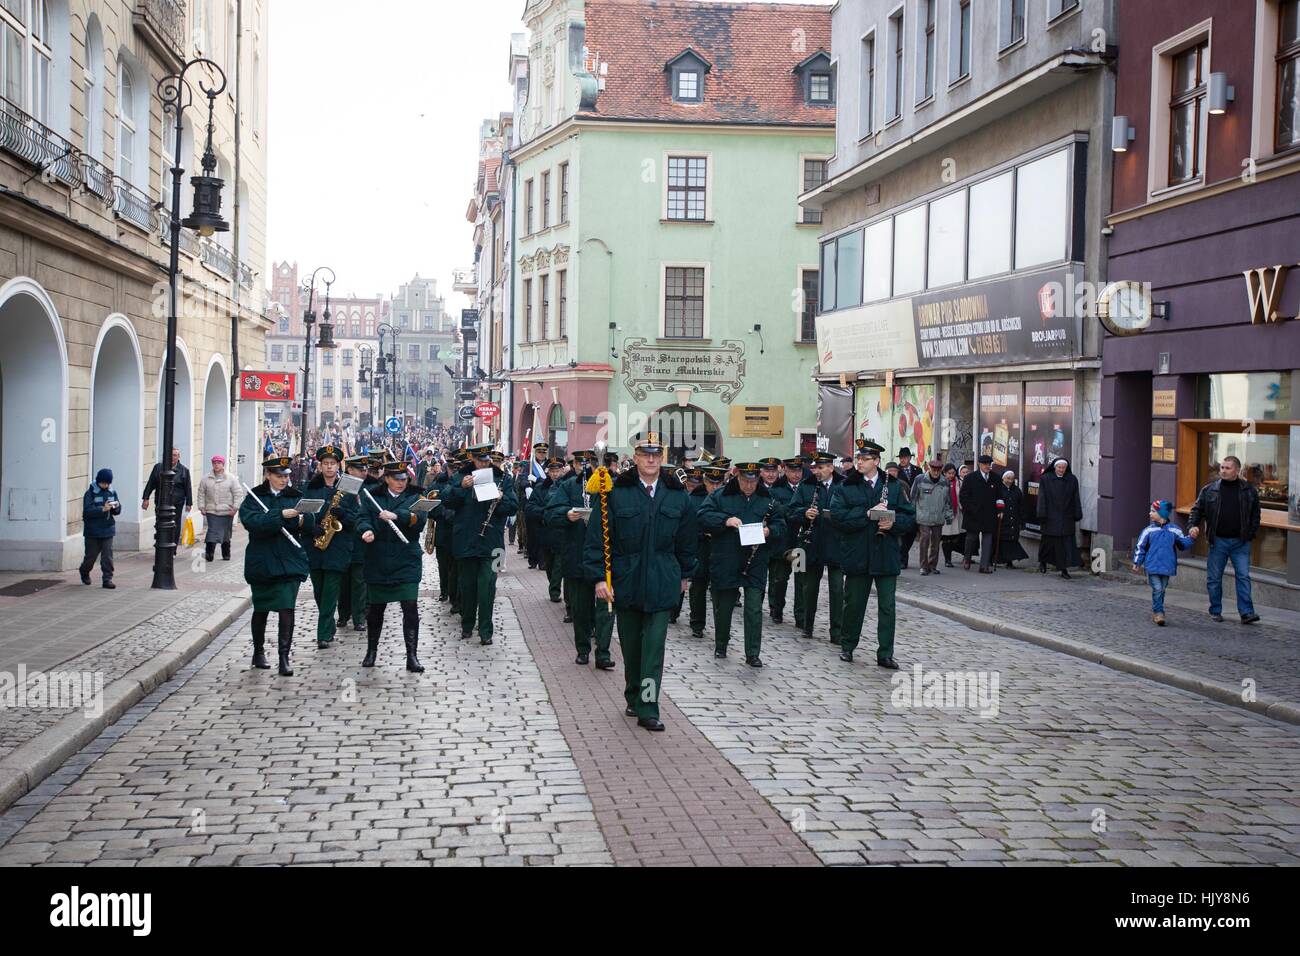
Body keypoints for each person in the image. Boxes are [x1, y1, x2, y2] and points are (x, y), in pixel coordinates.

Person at [582, 433, 696, 732]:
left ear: (662, 458)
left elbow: (687, 540)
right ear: (635, 456)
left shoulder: (676, 495)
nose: (650, 460)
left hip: (663, 581)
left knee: (654, 648)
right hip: (626, 580)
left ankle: (648, 706)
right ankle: (633, 694)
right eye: (645, 454)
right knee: (632, 648)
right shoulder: (616, 492)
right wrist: (598, 579)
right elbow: (597, 539)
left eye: (656, 455)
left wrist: (685, 574)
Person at [831, 439, 915, 667]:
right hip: (857, 554)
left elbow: (909, 518)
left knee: (887, 607)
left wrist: (893, 524)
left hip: (886, 554)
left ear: (876, 461)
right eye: (858, 458)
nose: (859, 462)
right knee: (854, 604)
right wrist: (867, 514)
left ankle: (885, 653)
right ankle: (848, 646)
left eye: (865, 459)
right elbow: (838, 518)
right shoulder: (846, 486)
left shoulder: (894, 486)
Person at [697, 463, 786, 667]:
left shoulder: (768, 500)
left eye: (753, 481)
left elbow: (781, 524)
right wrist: (725, 520)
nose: (748, 485)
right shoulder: (720, 495)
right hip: (726, 557)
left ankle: (752, 653)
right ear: (737, 478)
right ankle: (721, 645)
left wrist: (769, 531)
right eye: (745, 480)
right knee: (724, 606)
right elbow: (702, 516)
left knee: (754, 608)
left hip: (756, 560)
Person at [239, 455, 315, 676]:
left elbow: (310, 522)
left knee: (286, 608)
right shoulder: (255, 497)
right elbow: (252, 523)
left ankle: (284, 657)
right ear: (268, 476)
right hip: (262, 562)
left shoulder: (295, 496)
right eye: (279, 476)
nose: (283, 480)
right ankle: (259, 651)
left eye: (286, 476)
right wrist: (280, 515)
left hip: (289, 561)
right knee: (261, 609)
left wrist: (299, 520)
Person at [441, 445, 519, 645]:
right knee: (467, 586)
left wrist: (500, 500)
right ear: (472, 460)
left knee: (488, 586)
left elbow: (513, 507)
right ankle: (467, 625)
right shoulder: (460, 477)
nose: (485, 463)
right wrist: (462, 488)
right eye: (480, 460)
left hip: (493, 544)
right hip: (465, 541)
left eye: (487, 460)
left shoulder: (503, 478)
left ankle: (486, 631)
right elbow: (446, 500)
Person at [545, 450, 616, 669]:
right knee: (581, 608)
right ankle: (583, 649)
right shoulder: (568, 486)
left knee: (606, 608)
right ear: (574, 464)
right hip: (577, 554)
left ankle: (603, 652)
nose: (586, 466)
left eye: (592, 462)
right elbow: (550, 513)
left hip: (605, 555)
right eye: (580, 462)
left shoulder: (611, 486)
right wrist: (567, 514)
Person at [357, 460, 429, 671]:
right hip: (378, 557)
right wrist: (366, 530)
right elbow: (362, 518)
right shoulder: (373, 496)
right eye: (396, 479)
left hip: (406, 558)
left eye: (403, 479)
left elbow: (420, 518)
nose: (400, 483)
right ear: (386, 478)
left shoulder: (416, 495)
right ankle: (371, 651)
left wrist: (398, 515)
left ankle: (412, 656)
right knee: (376, 609)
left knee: (410, 607)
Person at [1187, 455, 1261, 624]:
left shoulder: (1249, 491)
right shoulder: (1209, 490)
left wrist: (1250, 534)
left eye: (1227, 468)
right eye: (1222, 467)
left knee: (1243, 576)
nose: (1223, 471)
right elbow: (1197, 510)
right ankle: (1215, 610)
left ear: (1237, 470)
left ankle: (1247, 613)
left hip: (1240, 542)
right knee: (1214, 578)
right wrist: (1192, 525)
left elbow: (1255, 515)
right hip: (1218, 541)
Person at [304, 445, 358, 650]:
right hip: (315, 545)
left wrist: (344, 514)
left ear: (338, 466)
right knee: (319, 591)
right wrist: (312, 526)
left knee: (330, 591)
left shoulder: (349, 488)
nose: (329, 467)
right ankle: (328, 624)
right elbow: (304, 513)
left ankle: (323, 634)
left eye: (332, 464)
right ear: (319, 466)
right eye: (325, 464)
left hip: (338, 546)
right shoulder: (310, 487)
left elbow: (356, 518)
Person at [793, 452, 845, 643]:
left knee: (838, 589)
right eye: (816, 467)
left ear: (831, 468)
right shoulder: (806, 486)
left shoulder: (843, 484)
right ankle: (807, 625)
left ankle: (837, 631)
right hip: (812, 542)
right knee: (809, 587)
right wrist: (805, 513)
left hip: (836, 542)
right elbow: (791, 510)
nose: (817, 471)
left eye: (822, 467)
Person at [1133, 500, 1194, 626]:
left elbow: (1183, 544)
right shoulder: (1148, 530)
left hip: (1167, 566)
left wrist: (1192, 537)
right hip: (1152, 565)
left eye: (1153, 511)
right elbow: (1141, 547)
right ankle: (1158, 612)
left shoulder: (1174, 530)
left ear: (1162, 513)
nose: (1150, 513)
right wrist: (1137, 562)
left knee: (1162, 589)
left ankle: (1158, 610)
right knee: (1158, 588)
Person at [686, 464, 726, 639]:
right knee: (698, 586)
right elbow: (688, 526)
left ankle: (722, 627)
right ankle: (697, 623)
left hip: (721, 547)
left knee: (720, 588)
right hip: (701, 547)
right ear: (705, 482)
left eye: (718, 483)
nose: (715, 487)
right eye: (711, 483)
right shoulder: (694, 498)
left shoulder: (728, 498)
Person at [767, 456, 808, 625]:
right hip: (782, 542)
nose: (796, 474)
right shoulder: (776, 490)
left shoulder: (807, 488)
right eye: (792, 471)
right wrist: (796, 512)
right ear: (785, 471)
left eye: (798, 470)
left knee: (800, 580)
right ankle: (776, 609)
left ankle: (800, 616)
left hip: (799, 543)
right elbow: (777, 511)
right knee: (780, 579)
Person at [337, 455, 371, 632]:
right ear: (350, 470)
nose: (364, 472)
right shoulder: (343, 488)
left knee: (359, 582)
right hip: (343, 540)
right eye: (360, 470)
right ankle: (343, 615)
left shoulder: (366, 488)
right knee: (343, 582)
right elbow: (340, 512)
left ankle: (359, 618)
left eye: (365, 469)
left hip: (360, 543)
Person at [527, 457, 567, 605]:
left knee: (559, 563)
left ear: (563, 471)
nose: (555, 474)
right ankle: (553, 585)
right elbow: (530, 508)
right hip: (545, 532)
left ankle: (555, 591)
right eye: (552, 471)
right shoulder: (540, 488)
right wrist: (545, 512)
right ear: (548, 472)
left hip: (562, 532)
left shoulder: (567, 486)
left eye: (558, 470)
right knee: (549, 564)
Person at [1037, 458, 1082, 579]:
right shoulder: (1045, 479)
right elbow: (1042, 498)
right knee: (1047, 543)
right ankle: (1043, 561)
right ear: (1054, 467)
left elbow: (1076, 498)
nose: (1061, 470)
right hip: (1050, 517)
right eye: (1059, 467)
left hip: (1066, 517)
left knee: (1064, 545)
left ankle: (1063, 569)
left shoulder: (1072, 480)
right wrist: (1042, 514)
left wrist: (1077, 513)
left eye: (1063, 468)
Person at [959, 456, 1004, 573]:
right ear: (979, 464)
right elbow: (963, 496)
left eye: (989, 464)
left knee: (988, 540)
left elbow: (1000, 496)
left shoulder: (995, 478)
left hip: (989, 514)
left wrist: (1000, 511)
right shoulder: (970, 478)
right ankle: (967, 558)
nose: (988, 466)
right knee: (971, 539)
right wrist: (970, 509)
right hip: (973, 514)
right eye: (985, 464)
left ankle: (984, 565)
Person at [142, 447, 193, 547]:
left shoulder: (184, 470)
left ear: (178, 457)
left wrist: (189, 503)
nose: (172, 457)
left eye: (175, 455)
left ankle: (173, 548)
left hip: (177, 503)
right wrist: (146, 498)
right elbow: (151, 483)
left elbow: (188, 487)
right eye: (170, 455)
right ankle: (160, 545)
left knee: (175, 524)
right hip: (161, 501)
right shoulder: (158, 467)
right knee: (160, 523)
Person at [80, 469, 121, 589]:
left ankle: (107, 579)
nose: (106, 485)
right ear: (98, 481)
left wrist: (115, 507)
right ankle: (84, 571)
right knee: (90, 557)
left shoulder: (112, 492)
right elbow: (86, 512)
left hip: (108, 529)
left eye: (108, 483)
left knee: (107, 556)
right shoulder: (90, 493)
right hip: (92, 531)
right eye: (103, 483)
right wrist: (102, 509)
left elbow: (118, 509)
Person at [197, 455, 243, 562]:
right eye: (214, 463)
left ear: (223, 464)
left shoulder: (231, 478)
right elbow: (201, 493)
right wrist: (201, 507)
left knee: (225, 533)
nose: (216, 465)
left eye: (219, 463)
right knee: (212, 532)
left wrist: (235, 508)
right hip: (211, 510)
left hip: (227, 511)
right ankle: (209, 553)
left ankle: (226, 553)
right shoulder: (206, 478)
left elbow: (238, 493)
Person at [910, 459, 953, 576]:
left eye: (938, 470)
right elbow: (913, 498)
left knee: (935, 542)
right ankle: (923, 566)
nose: (936, 472)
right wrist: (912, 515)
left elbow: (948, 501)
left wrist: (949, 516)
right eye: (934, 470)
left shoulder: (945, 482)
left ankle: (932, 565)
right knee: (925, 540)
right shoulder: (920, 479)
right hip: (923, 516)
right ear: (929, 468)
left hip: (938, 516)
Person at [522, 442, 550, 569]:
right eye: (539, 452)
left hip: (545, 500)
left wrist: (537, 480)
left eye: (544, 452)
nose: (541, 454)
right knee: (532, 533)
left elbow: (552, 480)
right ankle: (533, 559)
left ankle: (543, 560)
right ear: (535, 452)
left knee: (544, 533)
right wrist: (526, 486)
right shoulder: (529, 465)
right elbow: (521, 480)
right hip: (533, 502)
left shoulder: (550, 465)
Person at [940, 464, 967, 568]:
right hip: (945, 513)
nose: (951, 475)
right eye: (949, 473)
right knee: (946, 537)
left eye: (953, 473)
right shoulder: (941, 483)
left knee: (955, 536)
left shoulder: (959, 483)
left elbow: (962, 496)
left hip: (957, 513)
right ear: (945, 473)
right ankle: (948, 560)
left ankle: (959, 555)